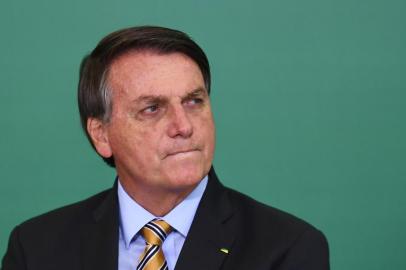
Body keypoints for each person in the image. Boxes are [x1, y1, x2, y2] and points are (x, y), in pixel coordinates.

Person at [1, 26, 329, 270]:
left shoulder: (288, 249)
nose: (183, 126)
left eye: (194, 101)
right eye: (152, 109)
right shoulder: (35, 249)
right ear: (101, 135)